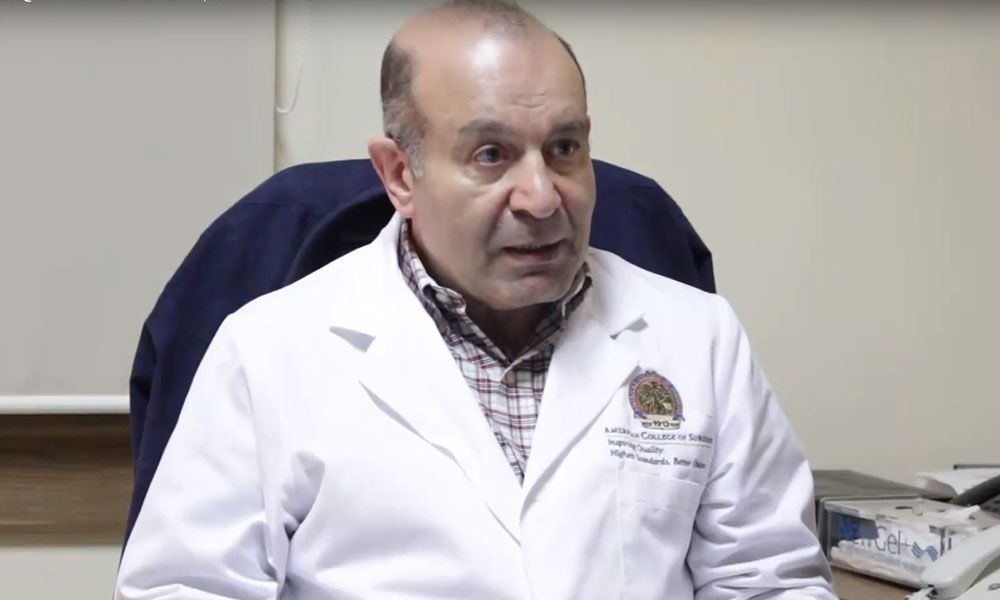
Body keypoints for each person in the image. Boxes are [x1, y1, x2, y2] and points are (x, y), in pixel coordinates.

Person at [115, 1, 836, 598]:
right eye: (491, 155)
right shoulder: (268, 351)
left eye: (564, 148)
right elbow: (185, 587)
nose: (542, 197)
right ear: (400, 175)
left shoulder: (697, 338)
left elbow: (770, 579)